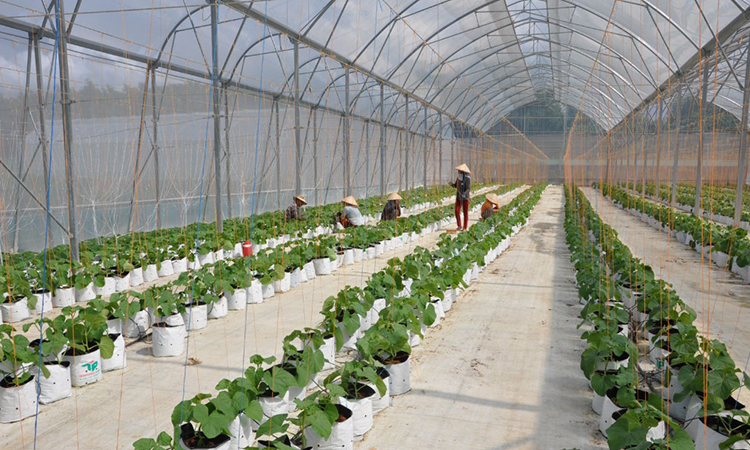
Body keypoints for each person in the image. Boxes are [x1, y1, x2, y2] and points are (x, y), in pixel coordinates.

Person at [450, 163, 471, 230]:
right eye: (458, 171)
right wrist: (452, 184)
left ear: (463, 172)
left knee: (465, 213)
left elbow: (468, 188)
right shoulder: (458, 178)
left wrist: (464, 194)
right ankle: (459, 226)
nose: (458, 172)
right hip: (458, 197)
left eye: (460, 171)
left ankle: (465, 227)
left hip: (465, 198)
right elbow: (456, 185)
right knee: (456, 211)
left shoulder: (467, 178)